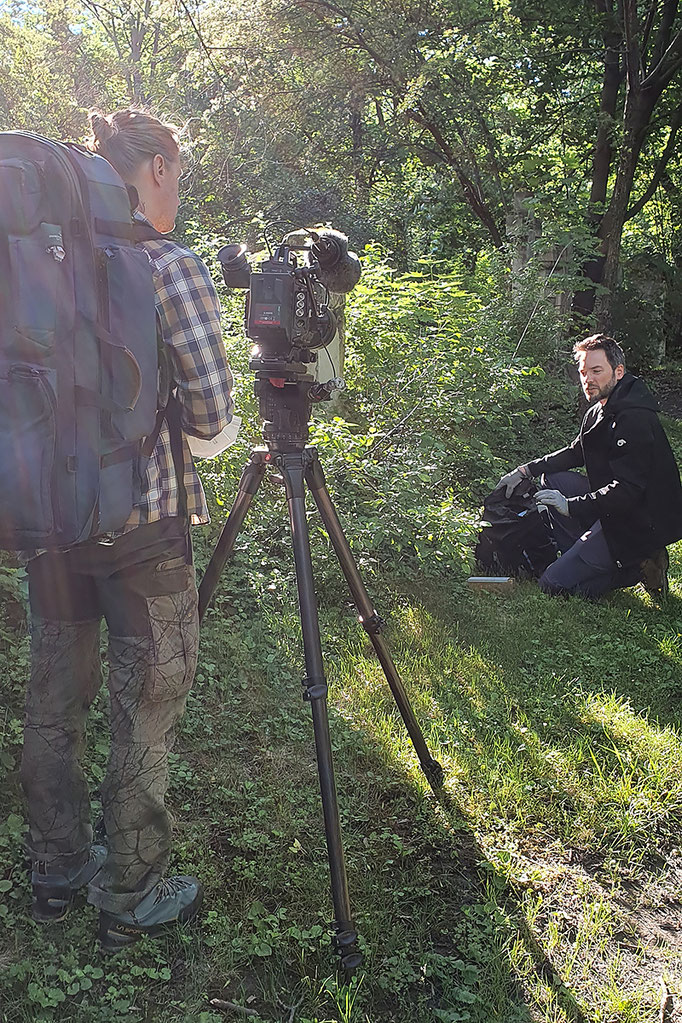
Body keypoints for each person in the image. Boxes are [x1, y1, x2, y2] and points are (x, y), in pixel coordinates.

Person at [20, 108, 234, 951]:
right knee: (146, 705)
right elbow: (214, 418)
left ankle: (55, 871)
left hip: (48, 527)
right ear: (154, 167)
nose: (178, 191)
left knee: (52, 704)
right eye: (176, 174)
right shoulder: (169, 265)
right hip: (145, 537)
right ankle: (132, 886)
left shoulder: (36, 267)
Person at [497, 334, 682, 599]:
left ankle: (640, 566)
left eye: (596, 371)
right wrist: (525, 470)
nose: (588, 379)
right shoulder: (598, 410)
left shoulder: (634, 418)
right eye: (583, 372)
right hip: (615, 511)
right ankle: (587, 555)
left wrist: (571, 505)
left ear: (618, 371)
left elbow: (628, 491)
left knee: (552, 585)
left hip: (640, 520)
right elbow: (576, 453)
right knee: (552, 479)